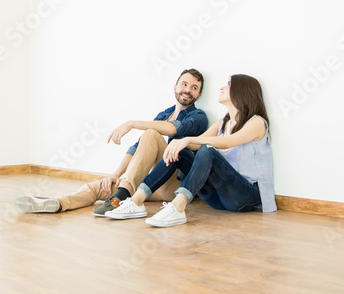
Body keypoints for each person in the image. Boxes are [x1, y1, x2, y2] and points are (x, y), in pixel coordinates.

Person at [14, 69, 209, 216]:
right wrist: (115, 175)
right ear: (175, 87)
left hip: (172, 185)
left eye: (194, 88)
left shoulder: (199, 116)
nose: (187, 90)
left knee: (151, 133)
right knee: (99, 186)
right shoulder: (163, 114)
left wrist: (132, 123)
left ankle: (122, 194)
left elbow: (174, 130)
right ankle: (58, 203)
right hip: (149, 182)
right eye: (184, 84)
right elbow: (137, 148)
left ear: (198, 96)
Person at [106, 74, 276, 227]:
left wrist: (187, 139)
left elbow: (227, 141)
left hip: (245, 197)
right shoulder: (223, 122)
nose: (222, 87)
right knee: (182, 151)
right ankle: (136, 200)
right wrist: (179, 144)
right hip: (219, 199)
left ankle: (178, 206)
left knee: (207, 150)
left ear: (241, 92)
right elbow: (195, 144)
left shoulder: (257, 122)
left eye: (229, 84)